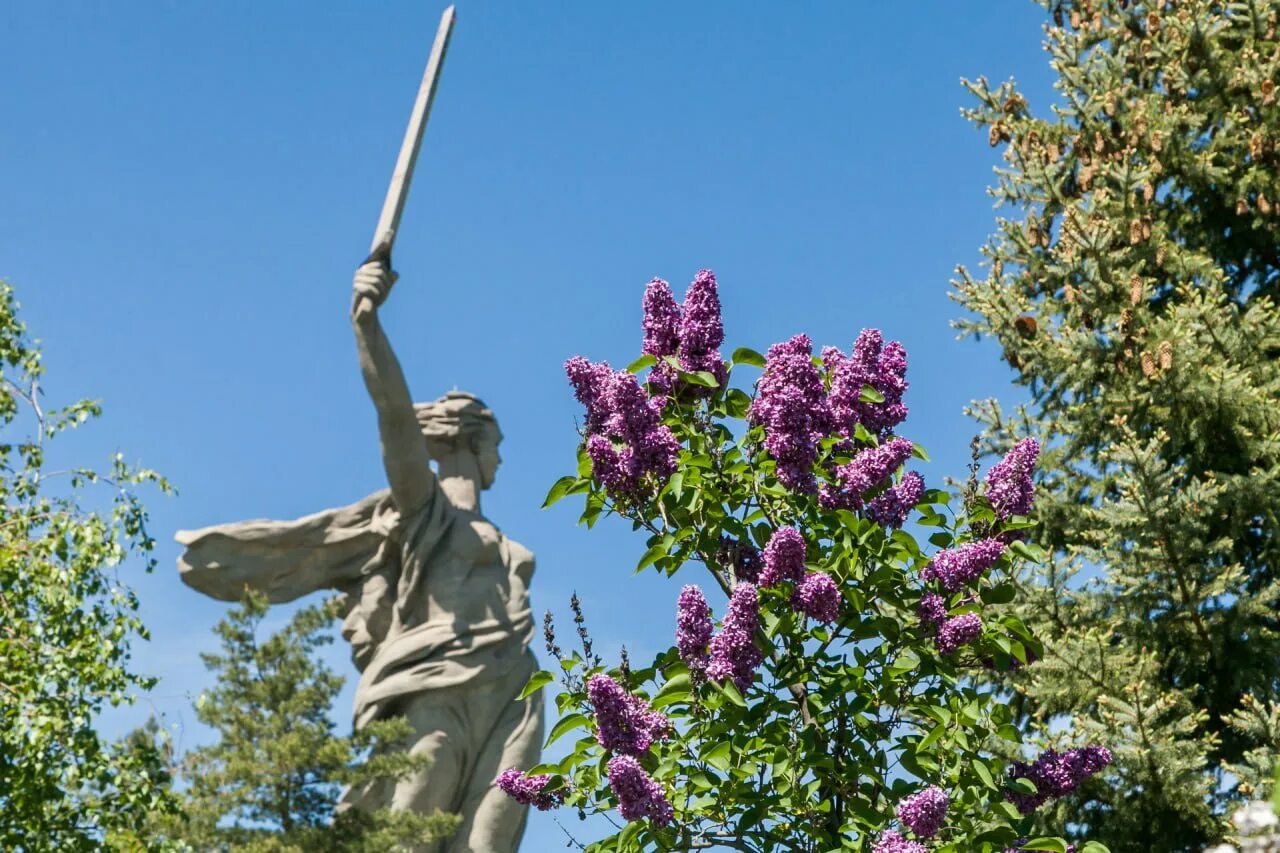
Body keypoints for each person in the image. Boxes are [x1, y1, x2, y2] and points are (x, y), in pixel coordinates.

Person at [176, 257, 542, 852]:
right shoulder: (425, 511)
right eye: (496, 445)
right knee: (407, 839)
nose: (500, 460)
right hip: (436, 688)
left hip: (515, 694)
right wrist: (366, 325)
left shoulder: (496, 535)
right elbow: (395, 418)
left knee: (490, 844)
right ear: (470, 442)